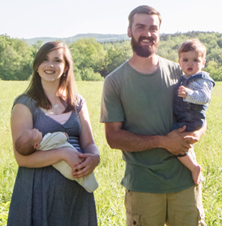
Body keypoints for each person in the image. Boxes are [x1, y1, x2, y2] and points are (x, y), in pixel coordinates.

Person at [100, 5, 206, 226]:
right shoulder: (115, 81)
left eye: (153, 28)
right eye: (140, 27)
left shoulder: (180, 72)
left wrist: (196, 134)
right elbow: (113, 138)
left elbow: (201, 114)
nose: (147, 34)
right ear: (129, 31)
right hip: (143, 187)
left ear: (159, 32)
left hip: (185, 183)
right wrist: (164, 142)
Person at [8, 41, 100, 226]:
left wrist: (95, 157)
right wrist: (62, 153)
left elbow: (89, 143)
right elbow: (22, 158)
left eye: (57, 60)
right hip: (38, 193)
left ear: (65, 67)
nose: (50, 65)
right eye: (45, 59)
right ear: (37, 65)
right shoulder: (25, 104)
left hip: (76, 192)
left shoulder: (78, 102)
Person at [173, 39, 215, 185]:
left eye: (195, 60)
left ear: (203, 62)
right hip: (184, 119)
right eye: (185, 60)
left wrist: (189, 94)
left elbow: (204, 97)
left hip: (192, 120)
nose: (190, 64)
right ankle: (194, 167)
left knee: (176, 145)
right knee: (184, 145)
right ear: (179, 62)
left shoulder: (202, 79)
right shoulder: (184, 78)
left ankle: (193, 168)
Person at [15, 129, 98, 193]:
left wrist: (96, 158)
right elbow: (58, 138)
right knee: (82, 173)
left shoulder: (40, 149)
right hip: (70, 165)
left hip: (68, 174)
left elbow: (90, 143)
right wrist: (64, 135)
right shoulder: (46, 141)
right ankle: (91, 185)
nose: (34, 129)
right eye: (34, 133)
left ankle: (89, 184)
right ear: (36, 145)